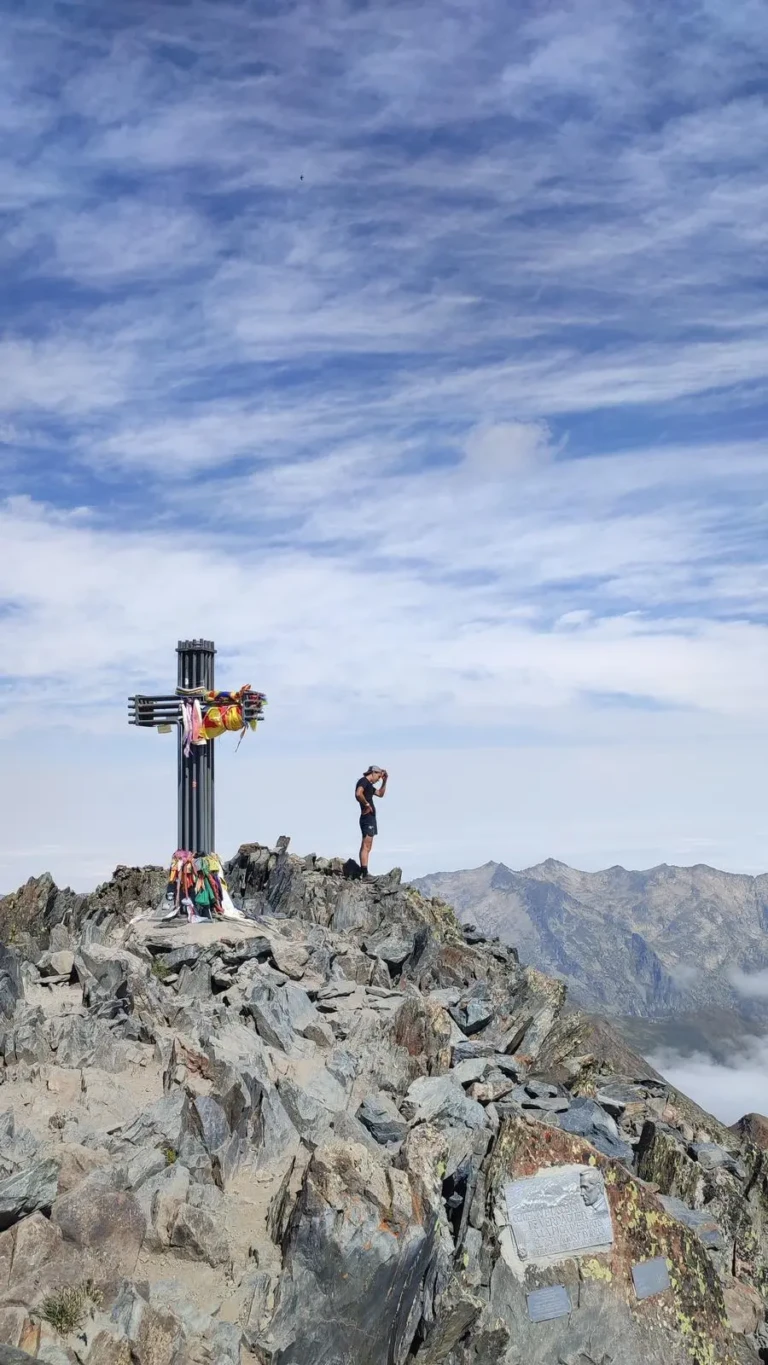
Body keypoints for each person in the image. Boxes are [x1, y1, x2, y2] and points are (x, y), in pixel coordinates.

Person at [355, 765, 388, 878]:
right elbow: (358, 793)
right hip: (367, 817)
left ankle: (364, 872)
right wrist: (366, 804)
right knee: (366, 845)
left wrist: (385, 781)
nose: (378, 779)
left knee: (368, 846)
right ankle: (364, 874)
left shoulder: (369, 785)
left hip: (370, 817)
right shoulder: (363, 781)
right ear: (373, 772)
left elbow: (380, 794)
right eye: (378, 776)